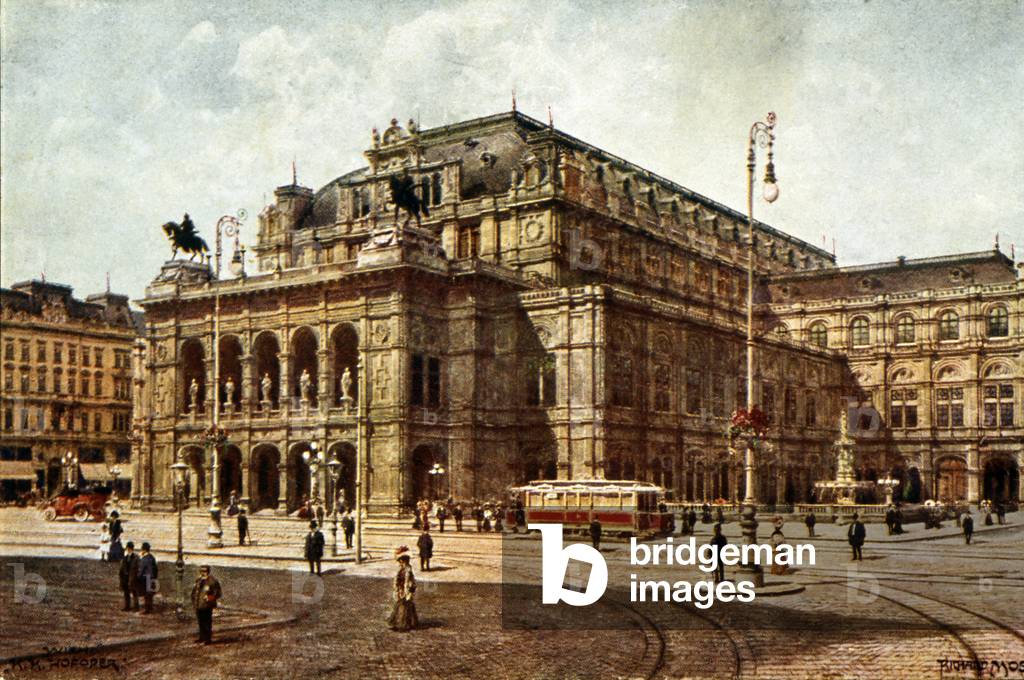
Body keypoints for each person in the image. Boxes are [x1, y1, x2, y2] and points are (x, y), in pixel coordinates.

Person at [387, 547, 418, 632]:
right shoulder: (401, 569)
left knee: (404, 607)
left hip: (406, 590)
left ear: (404, 561)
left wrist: (410, 591)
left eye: (401, 561)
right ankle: (401, 623)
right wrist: (397, 588)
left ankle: (403, 624)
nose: (400, 563)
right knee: (401, 606)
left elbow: (411, 581)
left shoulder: (408, 570)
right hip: (401, 590)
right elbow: (398, 580)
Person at [191, 565, 222, 645]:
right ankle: (202, 637)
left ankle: (207, 639)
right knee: (200, 622)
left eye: (204, 571)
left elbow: (218, 593)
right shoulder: (198, 580)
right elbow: (194, 591)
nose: (203, 573)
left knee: (207, 622)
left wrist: (209, 597)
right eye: (201, 571)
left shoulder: (212, 581)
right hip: (199, 604)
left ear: (208, 571)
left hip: (207, 605)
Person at [137, 542, 158, 614]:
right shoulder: (152, 557)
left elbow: (141, 569)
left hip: (146, 578)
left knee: (145, 594)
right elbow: (155, 568)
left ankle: (146, 609)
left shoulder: (144, 559)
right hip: (152, 577)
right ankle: (150, 608)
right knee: (150, 594)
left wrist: (138, 577)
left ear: (144, 550)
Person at [119, 541, 140, 611]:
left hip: (132, 577)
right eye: (127, 549)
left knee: (134, 592)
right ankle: (127, 606)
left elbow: (137, 568)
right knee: (126, 593)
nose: (128, 550)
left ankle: (136, 607)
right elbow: (122, 568)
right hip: (126, 578)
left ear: (131, 549)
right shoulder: (125, 557)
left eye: (129, 549)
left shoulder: (136, 558)